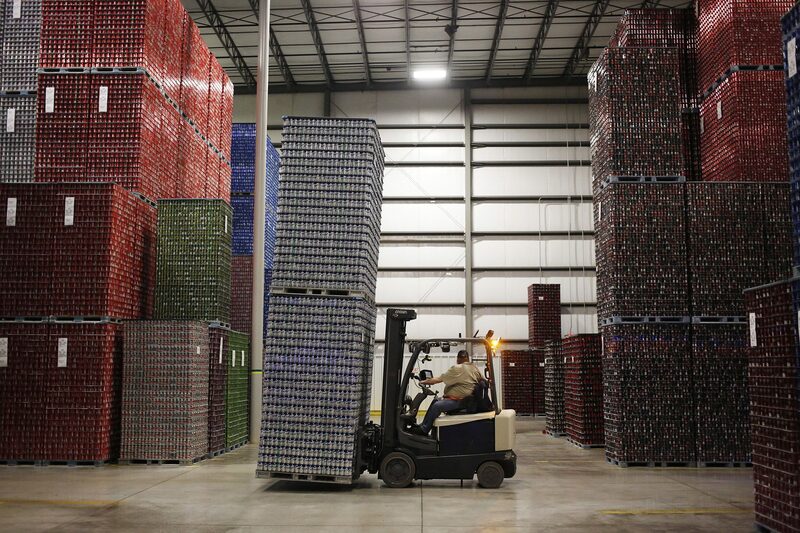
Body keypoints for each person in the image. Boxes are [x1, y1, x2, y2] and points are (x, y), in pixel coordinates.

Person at [411, 350, 482, 435]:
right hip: (466, 401)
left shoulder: (458, 368)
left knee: (437, 406)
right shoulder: (474, 368)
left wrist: (422, 382)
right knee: (436, 400)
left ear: (458, 359)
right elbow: (483, 379)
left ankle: (424, 429)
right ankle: (423, 425)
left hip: (460, 401)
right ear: (467, 358)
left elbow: (438, 380)